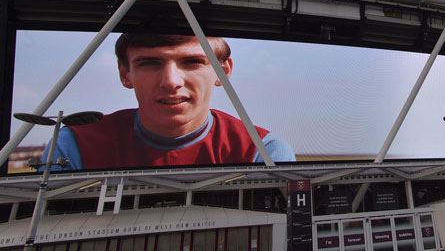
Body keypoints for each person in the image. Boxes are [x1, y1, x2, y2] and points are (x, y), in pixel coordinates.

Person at [42, 33, 295, 170]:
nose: (171, 81)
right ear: (124, 73)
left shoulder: (263, 150)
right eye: (150, 63)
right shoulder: (74, 144)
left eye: (192, 62)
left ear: (222, 72)